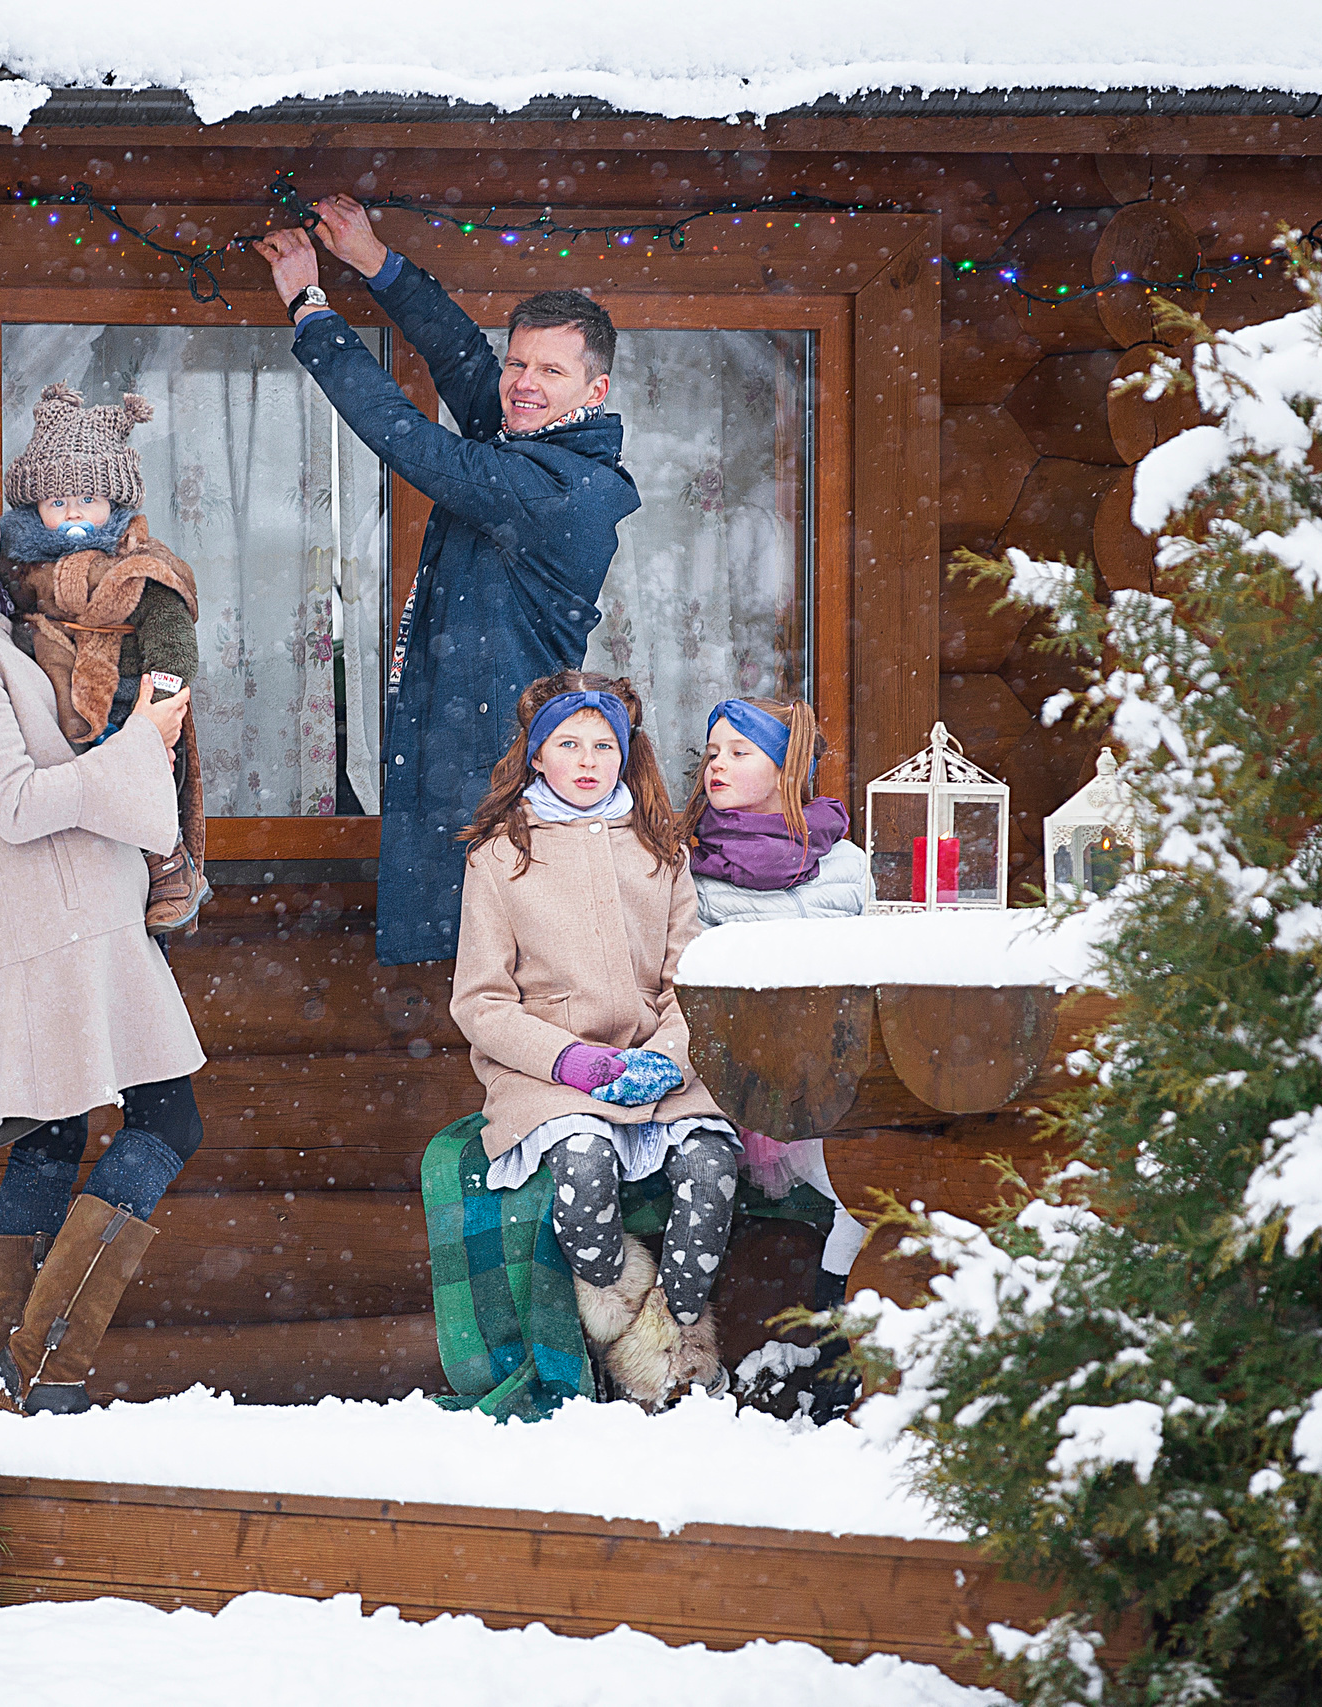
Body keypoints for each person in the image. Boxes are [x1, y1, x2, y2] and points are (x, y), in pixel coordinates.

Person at [0, 436, 205, 1416]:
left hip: (44, 924)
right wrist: (142, 742)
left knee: (51, 1133)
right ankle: (42, 1359)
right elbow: (14, 802)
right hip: (45, 931)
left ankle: (10, 1371)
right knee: (164, 1118)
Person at [257, 196, 640, 967]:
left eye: (551, 370)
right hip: (468, 745)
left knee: (501, 966)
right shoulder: (532, 441)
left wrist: (311, 306)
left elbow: (409, 441)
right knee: (479, 967)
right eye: (520, 362)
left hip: (497, 767)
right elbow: (464, 358)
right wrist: (374, 260)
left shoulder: (557, 489)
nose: (524, 383)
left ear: (593, 392)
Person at [449, 669, 741, 1409]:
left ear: (626, 752)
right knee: (582, 1176)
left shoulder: (661, 850)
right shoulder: (498, 856)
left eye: (603, 744)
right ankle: (640, 1348)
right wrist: (572, 1058)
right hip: (551, 1077)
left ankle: (680, 1340)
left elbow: (691, 982)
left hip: (659, 1067)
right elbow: (480, 1002)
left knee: (711, 1169)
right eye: (568, 743)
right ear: (536, 756)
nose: (587, 758)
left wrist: (666, 1057)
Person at [683, 695, 872, 1424]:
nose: (718, 765)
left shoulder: (845, 862)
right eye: (713, 751)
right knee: (860, 1165)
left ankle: (835, 1331)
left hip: (841, 1065)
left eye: (739, 751)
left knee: (881, 1155)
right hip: (749, 1075)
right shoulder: (691, 862)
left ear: (786, 765)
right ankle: (831, 1340)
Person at [0, 382, 210, 934]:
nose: (73, 513)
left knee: (138, 778)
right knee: (65, 792)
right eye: (57, 502)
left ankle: (165, 863)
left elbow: (172, 636)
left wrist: (159, 709)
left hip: (125, 698)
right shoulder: (19, 567)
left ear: (113, 504)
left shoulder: (138, 564)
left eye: (88, 501)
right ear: (35, 506)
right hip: (49, 700)